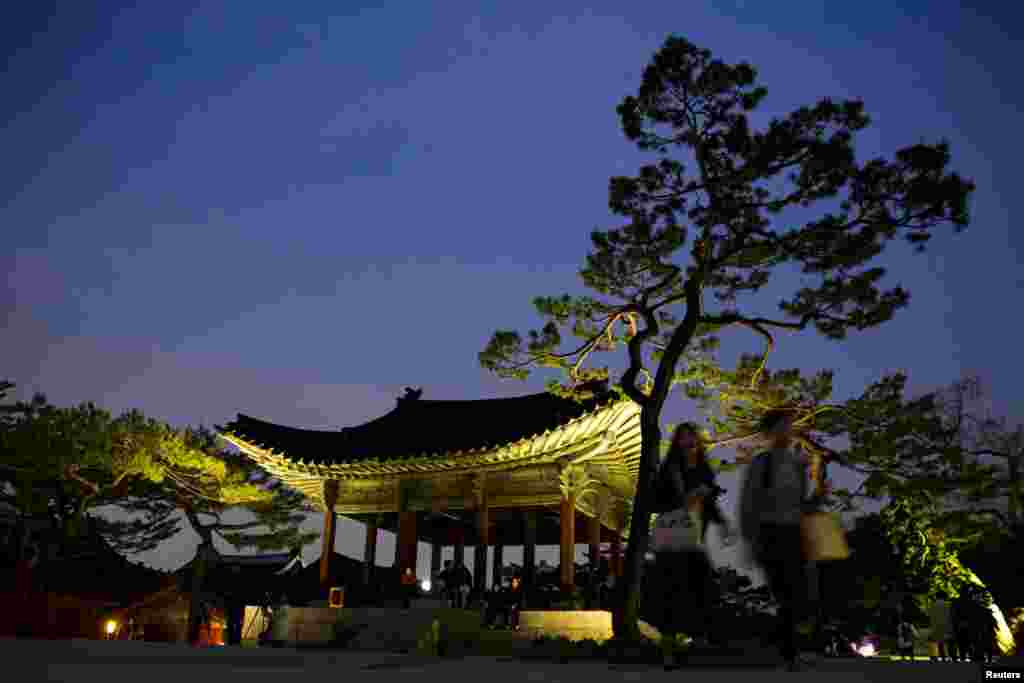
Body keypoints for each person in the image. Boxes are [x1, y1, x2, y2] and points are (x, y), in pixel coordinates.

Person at [738, 409, 825, 672]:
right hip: (770, 533)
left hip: (795, 533)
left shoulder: (799, 463)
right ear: (770, 432)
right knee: (785, 594)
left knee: (798, 594)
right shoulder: (761, 463)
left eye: (790, 425)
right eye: (783, 426)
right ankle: (787, 654)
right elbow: (748, 503)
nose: (789, 430)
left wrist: (819, 493)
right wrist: (751, 538)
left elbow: (804, 505)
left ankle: (785, 651)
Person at [654, 422, 735, 670]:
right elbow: (659, 500)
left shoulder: (704, 471)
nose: (689, 443)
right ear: (677, 443)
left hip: (695, 534)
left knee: (701, 586)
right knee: (671, 590)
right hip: (671, 534)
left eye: (693, 439)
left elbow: (710, 504)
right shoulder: (669, 469)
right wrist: (688, 496)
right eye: (684, 438)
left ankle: (689, 640)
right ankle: (669, 648)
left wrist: (723, 524)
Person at [929, 595, 954, 662]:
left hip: (936, 626)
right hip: (946, 625)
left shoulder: (932, 605)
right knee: (948, 642)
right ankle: (950, 656)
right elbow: (951, 615)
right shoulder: (948, 604)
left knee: (939, 642)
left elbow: (930, 615)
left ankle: (942, 656)